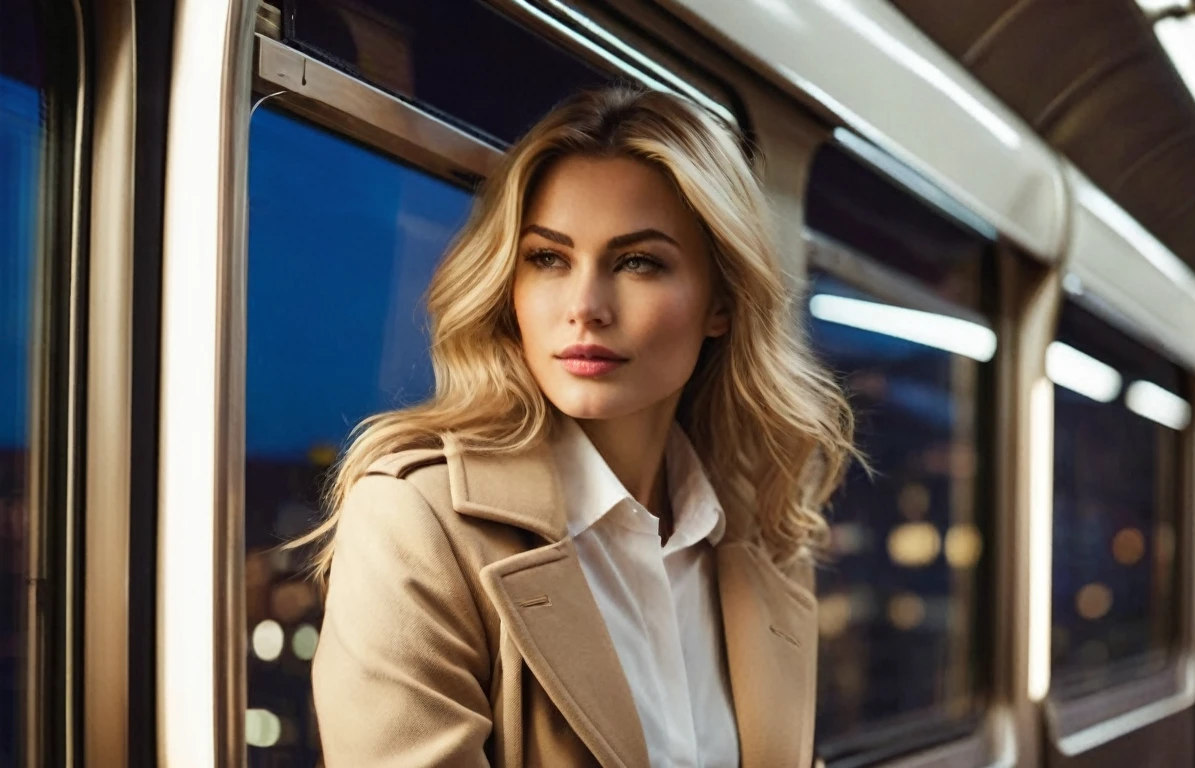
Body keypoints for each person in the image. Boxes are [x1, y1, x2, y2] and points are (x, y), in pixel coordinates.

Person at [299, 85, 858, 768]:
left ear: (721, 302)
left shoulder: (763, 534)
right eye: (548, 259)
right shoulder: (416, 520)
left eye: (637, 262)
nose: (585, 306)